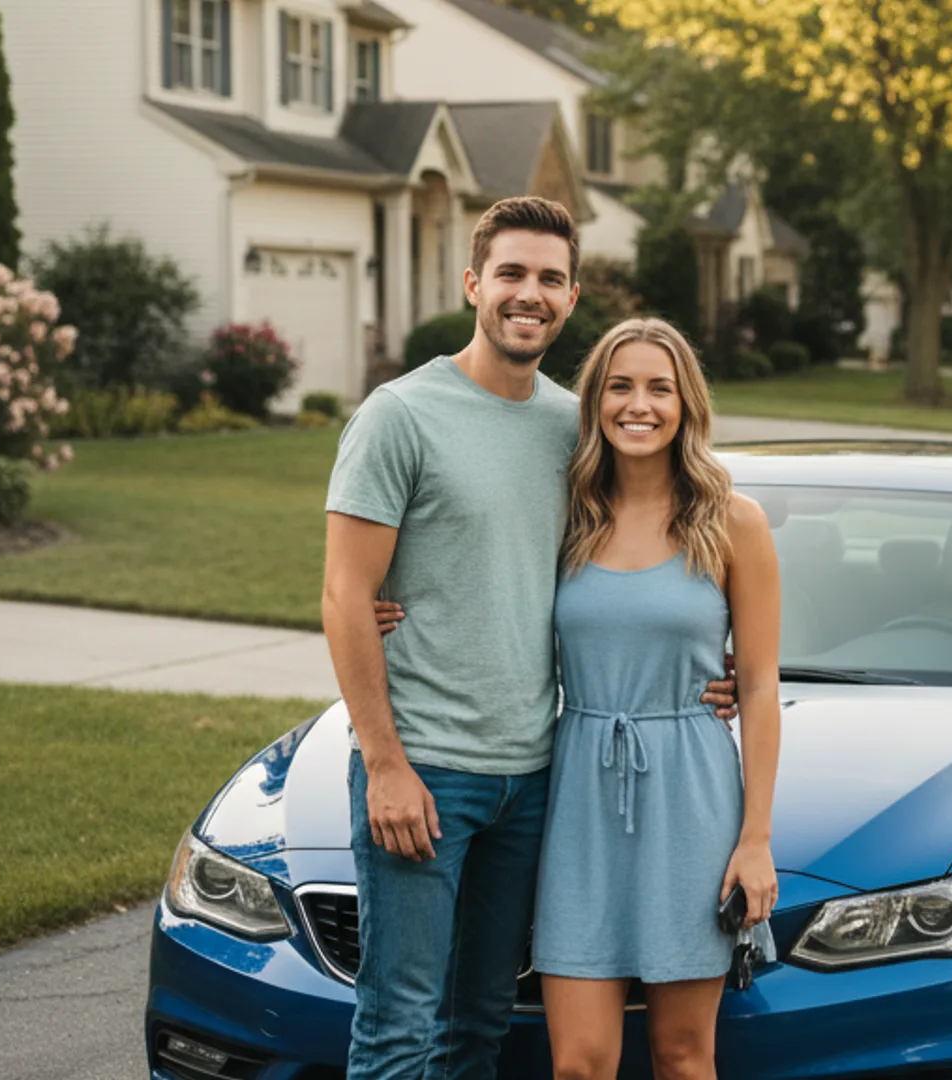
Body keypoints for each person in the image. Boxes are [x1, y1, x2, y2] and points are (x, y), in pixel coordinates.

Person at [319, 197, 736, 1080]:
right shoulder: (400, 415)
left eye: (549, 278)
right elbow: (344, 591)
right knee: (397, 1026)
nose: (528, 294)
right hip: (425, 767)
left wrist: (704, 661)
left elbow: (643, 554)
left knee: (477, 1027)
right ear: (474, 283)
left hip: (538, 779)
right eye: (511, 273)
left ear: (572, 297)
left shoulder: (571, 430)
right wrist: (383, 762)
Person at [376, 318, 782, 1080]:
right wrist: (382, 602)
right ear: (592, 403)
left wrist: (756, 838)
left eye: (659, 388)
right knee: (580, 1063)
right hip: (579, 801)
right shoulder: (566, 514)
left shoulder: (733, 522)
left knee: (684, 1055)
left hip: (693, 797)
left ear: (687, 403)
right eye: (620, 387)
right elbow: (468, 561)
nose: (640, 405)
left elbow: (759, 685)